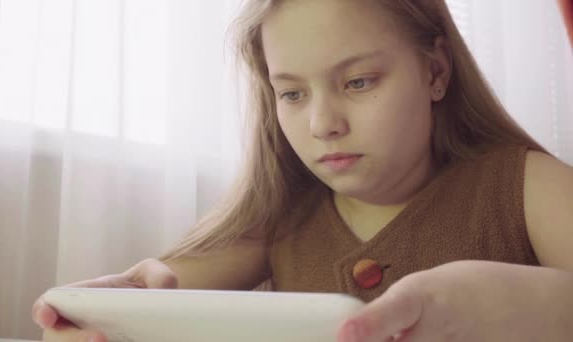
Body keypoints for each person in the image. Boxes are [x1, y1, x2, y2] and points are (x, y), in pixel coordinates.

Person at [32, 0, 573, 341]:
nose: (322, 123)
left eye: (359, 82)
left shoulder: (526, 186)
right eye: (291, 93)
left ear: (435, 71)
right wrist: (118, 315)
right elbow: (161, 288)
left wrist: (531, 308)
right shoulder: (282, 217)